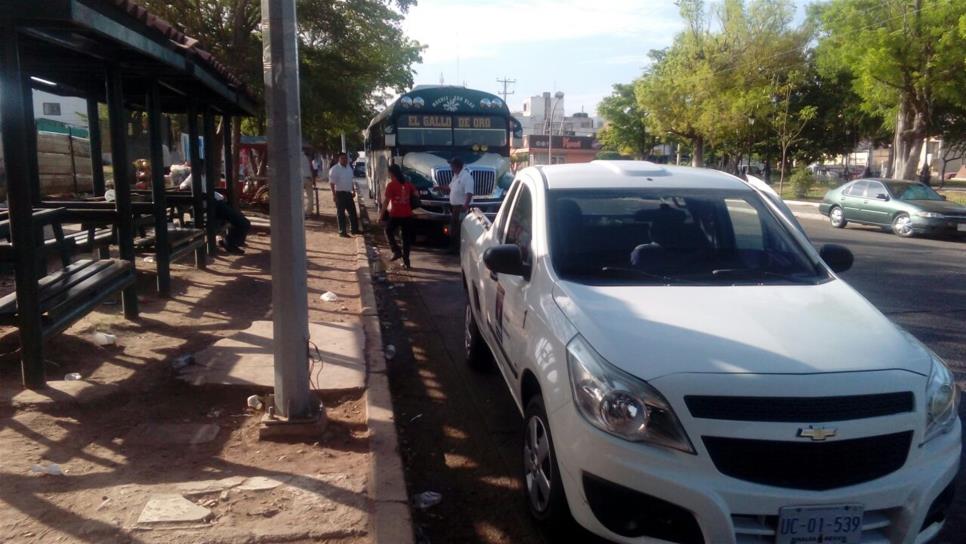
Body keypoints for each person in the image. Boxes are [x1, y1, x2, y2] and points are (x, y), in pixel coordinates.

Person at [179, 163, 250, 254]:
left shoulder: (202, 177)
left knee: (241, 220)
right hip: (211, 206)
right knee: (242, 222)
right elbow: (183, 187)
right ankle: (231, 243)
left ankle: (230, 242)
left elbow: (209, 191)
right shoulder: (193, 178)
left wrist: (219, 196)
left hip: (215, 204)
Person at [381, 164, 415, 269]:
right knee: (406, 239)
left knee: (388, 230)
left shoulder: (391, 185)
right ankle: (407, 263)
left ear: (391, 173)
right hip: (408, 215)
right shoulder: (408, 184)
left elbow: (386, 202)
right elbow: (416, 195)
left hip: (396, 214)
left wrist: (381, 215)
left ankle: (396, 251)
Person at [328, 152, 360, 237]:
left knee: (352, 212)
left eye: (345, 158)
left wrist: (353, 190)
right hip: (339, 193)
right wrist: (334, 195)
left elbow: (351, 180)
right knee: (341, 213)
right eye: (342, 158)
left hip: (348, 193)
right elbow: (332, 183)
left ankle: (354, 229)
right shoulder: (335, 169)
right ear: (339, 159)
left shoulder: (349, 168)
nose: (344, 160)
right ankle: (342, 231)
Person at [447, 157, 474, 253]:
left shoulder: (466, 177)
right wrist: (438, 187)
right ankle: (453, 247)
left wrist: (465, 206)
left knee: (458, 229)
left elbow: (469, 193)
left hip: (461, 207)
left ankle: (456, 249)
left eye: (452, 166)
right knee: (453, 228)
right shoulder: (456, 176)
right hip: (454, 207)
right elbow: (450, 187)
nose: (451, 168)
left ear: (457, 166)